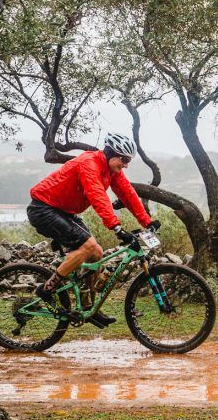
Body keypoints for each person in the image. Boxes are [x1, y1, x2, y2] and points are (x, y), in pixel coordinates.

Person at [26, 132, 159, 327]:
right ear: (111, 153)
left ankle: (89, 308)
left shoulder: (111, 170)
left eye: (128, 161)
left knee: (96, 252)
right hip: (43, 208)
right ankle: (46, 290)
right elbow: (97, 196)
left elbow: (128, 194)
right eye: (124, 159)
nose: (126, 165)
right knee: (88, 246)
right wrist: (116, 227)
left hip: (64, 211)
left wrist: (147, 222)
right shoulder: (89, 163)